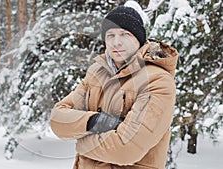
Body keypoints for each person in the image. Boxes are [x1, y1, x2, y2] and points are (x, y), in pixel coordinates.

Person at [50, 5, 178, 169]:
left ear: (139, 38)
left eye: (125, 34)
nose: (116, 42)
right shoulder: (97, 74)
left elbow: (127, 149)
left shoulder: (157, 81)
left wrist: (82, 142)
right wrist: (94, 122)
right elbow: (57, 118)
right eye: (110, 35)